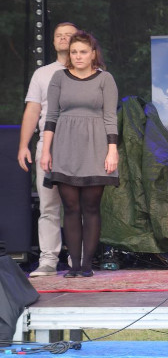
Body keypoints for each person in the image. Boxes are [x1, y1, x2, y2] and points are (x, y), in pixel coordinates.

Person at [40, 32, 119, 278]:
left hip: (96, 146)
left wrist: (112, 150)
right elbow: (51, 116)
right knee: (71, 207)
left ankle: (87, 265)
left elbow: (110, 117)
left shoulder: (105, 79)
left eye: (83, 52)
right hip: (65, 147)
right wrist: (46, 151)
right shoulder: (58, 77)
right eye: (74, 52)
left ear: (93, 54)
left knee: (91, 207)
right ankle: (73, 265)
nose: (78, 56)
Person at [18, 22, 79, 277]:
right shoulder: (42, 74)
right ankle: (48, 260)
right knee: (49, 206)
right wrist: (24, 145)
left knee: (78, 206)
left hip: (80, 147)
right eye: (59, 36)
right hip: (48, 147)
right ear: (53, 42)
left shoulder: (92, 71)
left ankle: (79, 258)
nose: (63, 39)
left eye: (69, 35)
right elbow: (33, 110)